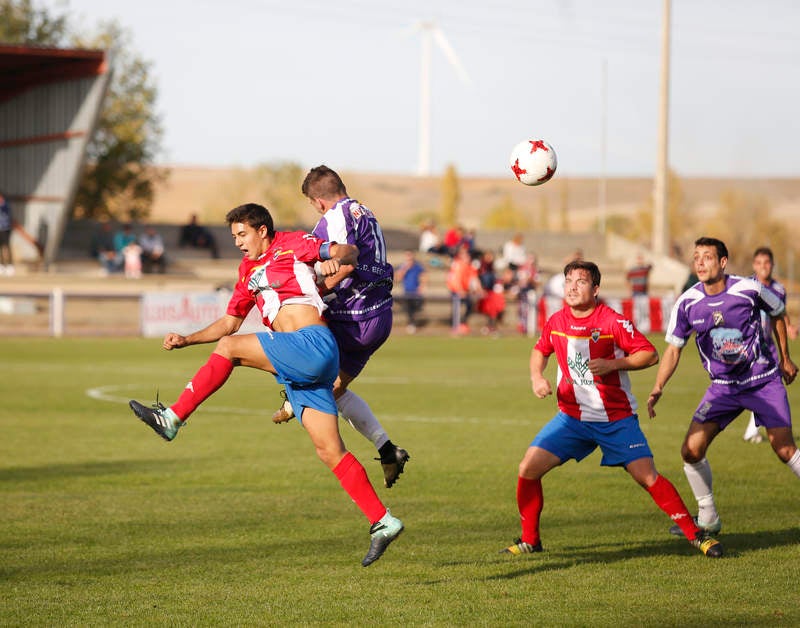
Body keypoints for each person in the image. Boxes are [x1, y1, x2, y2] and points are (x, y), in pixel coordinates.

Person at [128, 202, 403, 567]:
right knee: (329, 451)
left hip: (313, 344)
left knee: (230, 349)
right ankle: (382, 521)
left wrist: (336, 257)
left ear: (262, 230)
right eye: (234, 237)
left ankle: (173, 418)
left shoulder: (293, 244)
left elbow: (349, 252)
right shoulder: (246, 271)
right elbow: (230, 322)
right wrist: (187, 339)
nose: (238, 242)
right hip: (300, 367)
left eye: (242, 234)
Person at [501, 259, 723, 558]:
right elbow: (540, 350)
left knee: (647, 477)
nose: (572, 288)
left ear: (595, 289)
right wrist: (536, 377)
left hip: (615, 419)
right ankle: (530, 540)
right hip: (571, 419)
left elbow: (649, 354)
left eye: (580, 282)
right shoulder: (557, 321)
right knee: (528, 468)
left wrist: (613, 364)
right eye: (568, 282)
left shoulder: (611, 322)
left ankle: (696, 536)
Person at [647, 237, 800, 538]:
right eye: (696, 257)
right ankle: (708, 517)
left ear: (723, 262)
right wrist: (658, 385)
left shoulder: (748, 289)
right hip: (723, 387)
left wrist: (785, 358)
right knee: (691, 450)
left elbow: (778, 312)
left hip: (761, 380)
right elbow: (674, 349)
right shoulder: (687, 302)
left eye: (707, 256)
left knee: (784, 448)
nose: (700, 262)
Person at [270, 166, 410, 489]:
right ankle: (387, 450)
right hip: (378, 316)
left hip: (352, 315)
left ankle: (293, 397)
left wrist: (314, 291)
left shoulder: (336, 217)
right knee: (335, 389)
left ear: (318, 201)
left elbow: (345, 265)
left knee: (297, 345)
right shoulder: (365, 212)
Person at [742, 247, 798, 443]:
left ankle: (753, 430)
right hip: (750, 345)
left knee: (770, 385)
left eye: (767, 263)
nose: (763, 267)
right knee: (759, 386)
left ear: (772, 265)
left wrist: (789, 327)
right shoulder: (747, 286)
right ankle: (754, 429)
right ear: (754, 265)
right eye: (759, 263)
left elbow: (780, 312)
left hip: (770, 345)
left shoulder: (779, 289)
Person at [447, 244, 479, 335]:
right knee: (457, 308)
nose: (467, 256)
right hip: (456, 290)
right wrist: (460, 290)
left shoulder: (469, 266)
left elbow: (474, 278)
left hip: (465, 290)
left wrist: (478, 289)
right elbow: (455, 279)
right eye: (464, 254)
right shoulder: (457, 264)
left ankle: (462, 324)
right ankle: (455, 327)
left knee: (470, 305)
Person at [395, 249, 426, 333]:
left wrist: (421, 287)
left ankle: (412, 323)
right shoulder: (402, 266)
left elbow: (423, 277)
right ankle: (411, 324)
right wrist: (405, 269)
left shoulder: (418, 266)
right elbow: (398, 278)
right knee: (408, 308)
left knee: (414, 308)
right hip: (407, 291)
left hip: (415, 292)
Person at [0, 191, 15, 276]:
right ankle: (1, 265)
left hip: (5, 229)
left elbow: (7, 213)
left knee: (7, 247)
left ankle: (10, 265)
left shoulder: (5, 205)